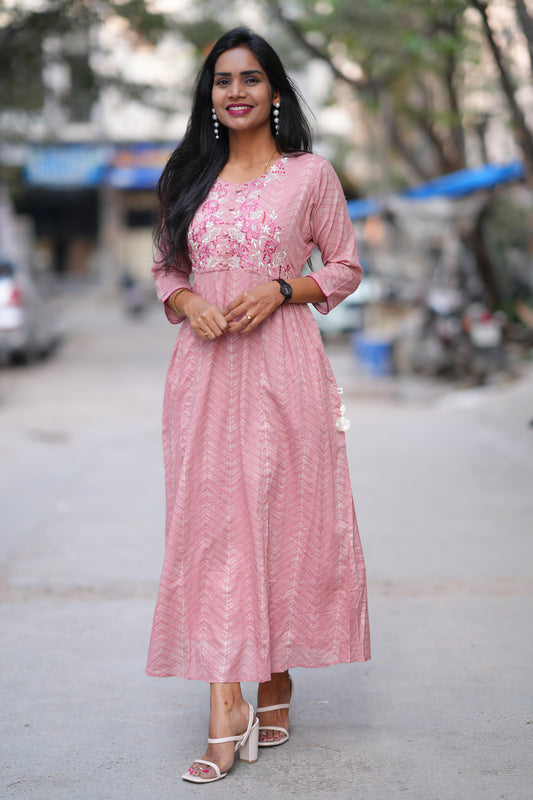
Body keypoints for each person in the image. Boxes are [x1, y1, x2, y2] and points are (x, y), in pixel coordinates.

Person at [146, 26, 370, 784]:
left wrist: (281, 289)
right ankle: (227, 703)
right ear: (207, 96)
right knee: (211, 528)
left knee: (278, 520)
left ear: (274, 90)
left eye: (250, 78)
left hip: (283, 369)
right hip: (202, 374)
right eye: (221, 81)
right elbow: (163, 268)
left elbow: (343, 266)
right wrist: (183, 299)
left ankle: (273, 677)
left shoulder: (309, 175)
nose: (235, 91)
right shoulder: (185, 173)